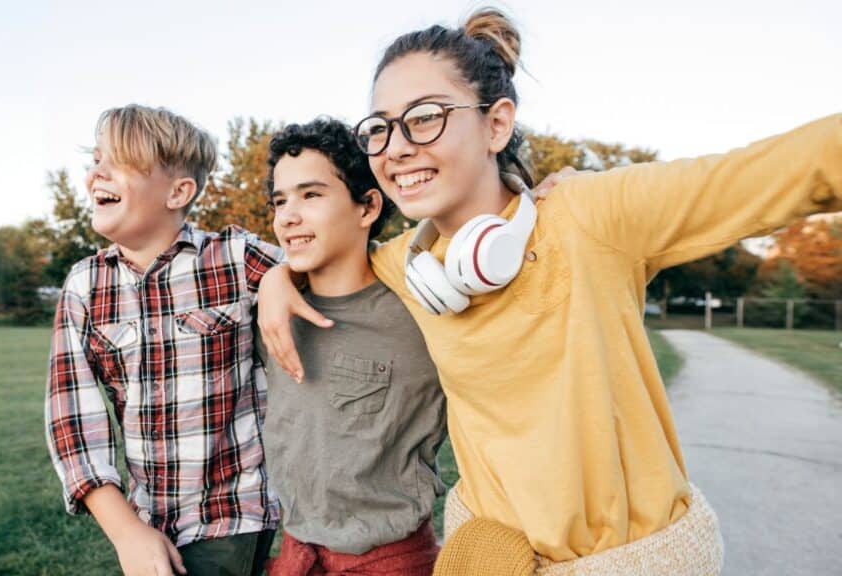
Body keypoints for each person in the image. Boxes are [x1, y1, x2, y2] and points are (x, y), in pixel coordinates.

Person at [258, 7, 842, 575]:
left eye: (426, 117)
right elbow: (323, 251)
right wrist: (278, 281)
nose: (397, 147)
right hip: (489, 555)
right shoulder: (408, 265)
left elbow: (795, 167)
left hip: (631, 558)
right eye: (381, 128)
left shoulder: (594, 214)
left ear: (497, 123)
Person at [45, 104, 281, 576]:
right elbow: (72, 421)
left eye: (119, 162)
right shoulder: (85, 285)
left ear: (178, 191)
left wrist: (281, 282)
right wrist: (126, 531)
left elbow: (332, 266)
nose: (96, 174)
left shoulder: (233, 257)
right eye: (95, 160)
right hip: (147, 521)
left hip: (233, 516)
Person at [258, 119, 446, 575]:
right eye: (280, 201)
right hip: (296, 551)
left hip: (390, 558)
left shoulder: (419, 308)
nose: (288, 215)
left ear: (367, 208)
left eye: (311, 195)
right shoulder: (271, 313)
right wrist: (273, 278)